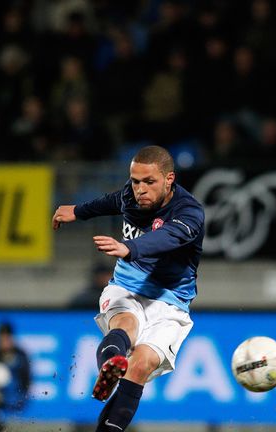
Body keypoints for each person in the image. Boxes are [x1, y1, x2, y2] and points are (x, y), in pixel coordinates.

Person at [52, 145, 205, 432]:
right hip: (127, 287)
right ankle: (111, 365)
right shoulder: (130, 195)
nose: (140, 189)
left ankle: (113, 389)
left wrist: (129, 247)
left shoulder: (189, 213)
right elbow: (113, 201)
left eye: (149, 182)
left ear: (169, 179)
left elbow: (166, 238)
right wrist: (78, 211)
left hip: (170, 302)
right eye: (135, 181)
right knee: (125, 324)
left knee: (142, 363)